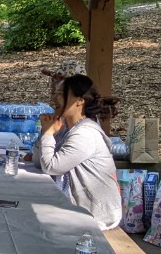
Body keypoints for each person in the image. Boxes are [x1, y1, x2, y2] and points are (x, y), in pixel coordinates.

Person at [35, 74, 121, 230]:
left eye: (61, 95)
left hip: (96, 215)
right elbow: (37, 161)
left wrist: (48, 134)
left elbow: (50, 167)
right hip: (76, 207)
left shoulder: (85, 133)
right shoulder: (66, 127)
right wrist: (45, 132)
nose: (55, 99)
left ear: (80, 101)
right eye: (55, 94)